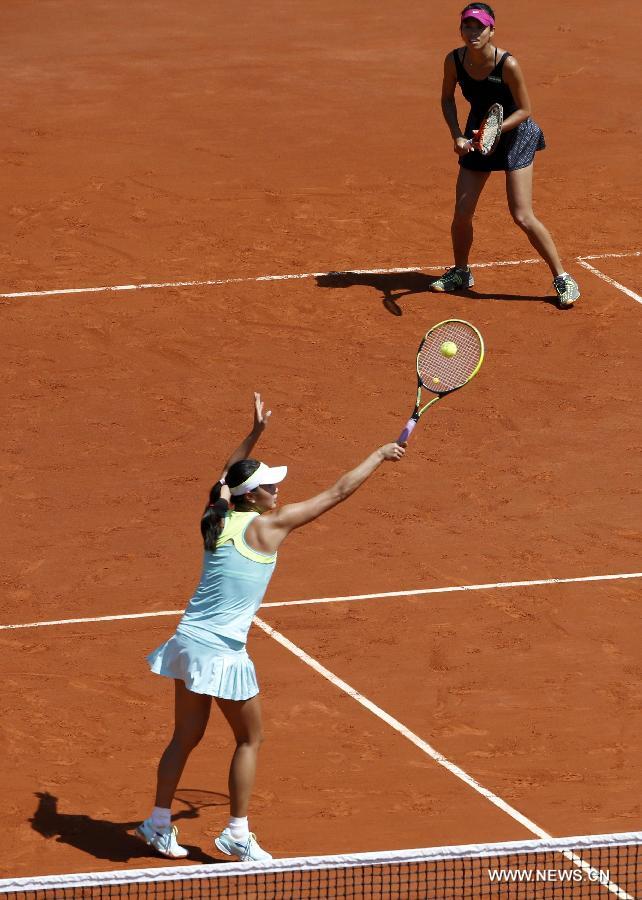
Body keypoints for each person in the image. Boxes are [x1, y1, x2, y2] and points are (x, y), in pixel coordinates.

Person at [135, 393, 405, 861]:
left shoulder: (215, 519)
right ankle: (236, 834)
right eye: (270, 487)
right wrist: (380, 455)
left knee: (185, 737)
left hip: (188, 642)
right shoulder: (270, 527)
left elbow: (225, 475)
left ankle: (158, 824)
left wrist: (255, 433)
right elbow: (337, 492)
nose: (278, 492)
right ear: (253, 496)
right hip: (221, 653)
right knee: (249, 738)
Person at [430, 3, 580, 308]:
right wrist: (457, 134)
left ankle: (563, 278)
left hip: (516, 134)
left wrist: (495, 131)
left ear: (491, 30)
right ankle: (461, 272)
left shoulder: (508, 64)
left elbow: (526, 109)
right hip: (478, 132)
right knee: (462, 212)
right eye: (467, 26)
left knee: (521, 214)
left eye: (479, 27)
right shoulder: (454, 61)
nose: (473, 33)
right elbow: (446, 98)